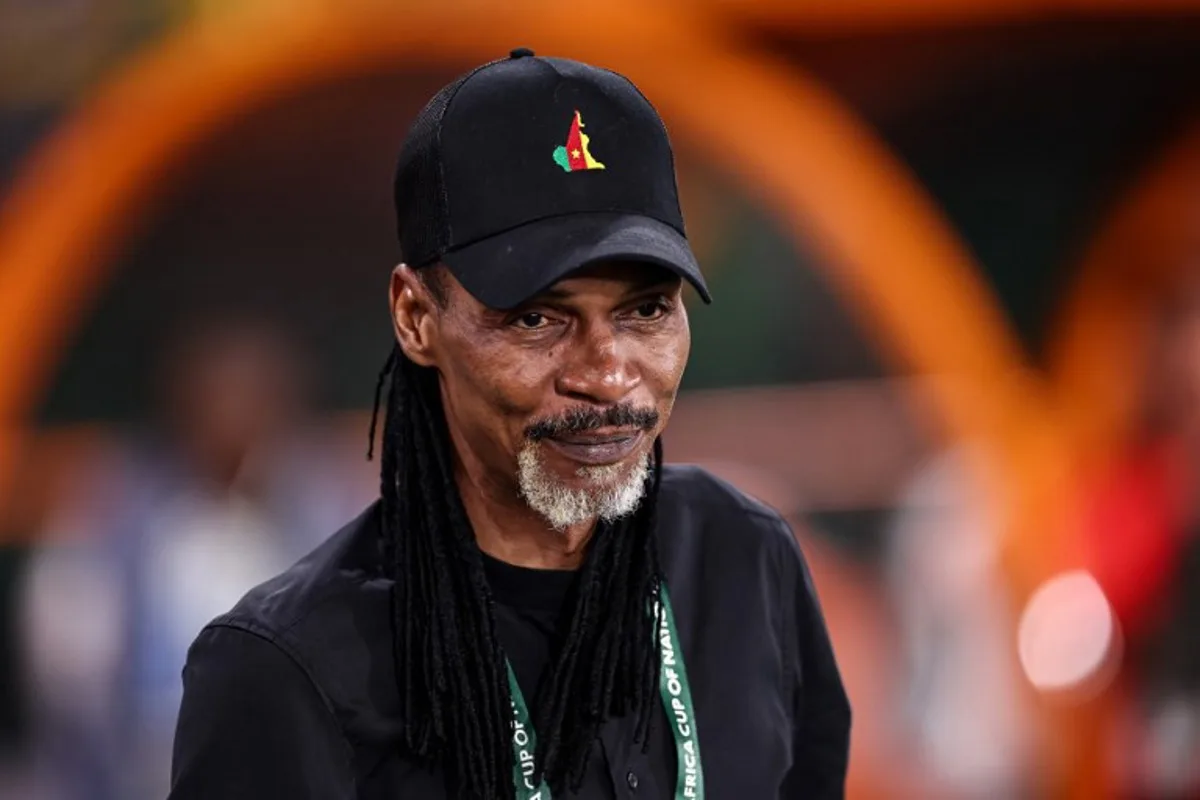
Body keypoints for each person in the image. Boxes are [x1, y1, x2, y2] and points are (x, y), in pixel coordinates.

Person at [167, 50, 851, 799]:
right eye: (536, 317)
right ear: (415, 318)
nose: (606, 374)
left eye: (647, 309)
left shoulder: (743, 559)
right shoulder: (286, 669)